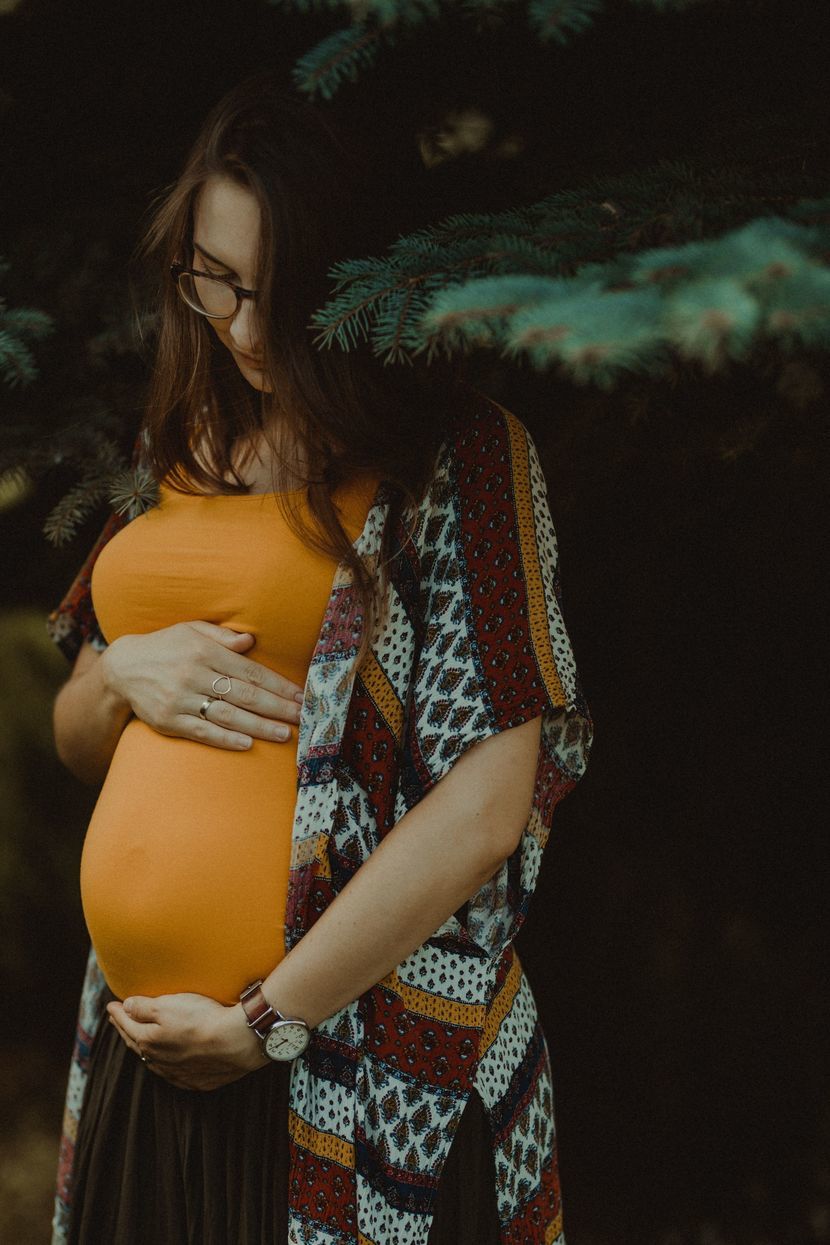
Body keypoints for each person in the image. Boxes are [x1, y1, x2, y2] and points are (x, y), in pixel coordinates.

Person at [47, 71, 594, 1245]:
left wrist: (268, 1021)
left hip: (355, 1063)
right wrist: (125, 671)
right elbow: (78, 723)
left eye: (273, 295)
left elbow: (488, 801)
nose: (239, 329)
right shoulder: (175, 443)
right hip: (146, 1059)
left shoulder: (456, 458)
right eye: (212, 281)